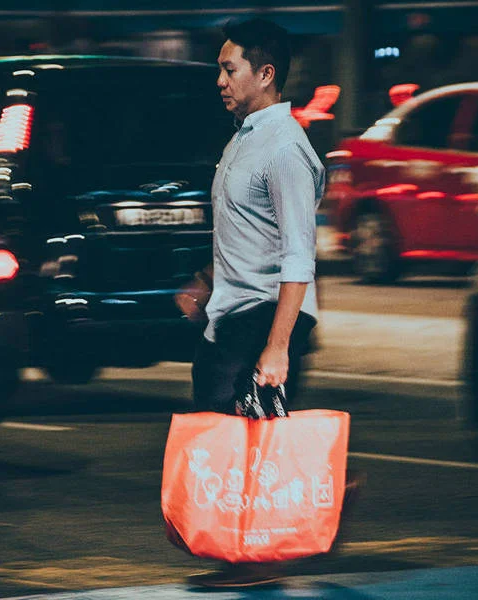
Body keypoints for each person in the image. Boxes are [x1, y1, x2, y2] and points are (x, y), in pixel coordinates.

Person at [174, 18, 359, 587]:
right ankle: (327, 493)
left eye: (230, 69)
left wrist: (278, 346)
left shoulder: (286, 149)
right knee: (224, 428)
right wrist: (206, 282)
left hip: (266, 314)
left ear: (266, 73)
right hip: (230, 311)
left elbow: (299, 255)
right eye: (220, 69)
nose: (220, 80)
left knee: (240, 434)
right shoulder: (243, 138)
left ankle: (249, 558)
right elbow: (247, 232)